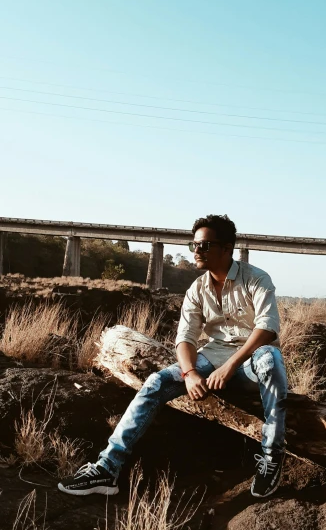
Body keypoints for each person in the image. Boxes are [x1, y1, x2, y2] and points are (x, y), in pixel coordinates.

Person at [58, 214, 288, 500]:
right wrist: (191, 374)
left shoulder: (256, 278)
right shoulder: (197, 289)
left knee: (270, 358)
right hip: (212, 357)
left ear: (227, 248)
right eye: (194, 245)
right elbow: (185, 339)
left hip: (250, 362)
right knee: (155, 382)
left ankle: (271, 458)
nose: (196, 251)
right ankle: (107, 468)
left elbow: (267, 329)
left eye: (204, 246)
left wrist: (230, 367)